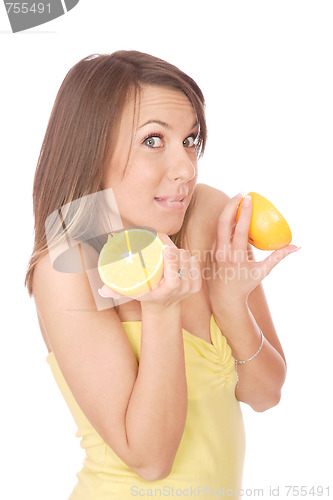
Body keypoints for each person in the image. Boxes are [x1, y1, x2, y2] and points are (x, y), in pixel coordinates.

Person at [25, 50, 299, 499]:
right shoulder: (67, 264)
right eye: (153, 140)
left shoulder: (205, 213)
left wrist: (232, 305)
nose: (186, 168)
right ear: (92, 146)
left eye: (191, 140)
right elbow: (151, 459)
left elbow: (265, 394)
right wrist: (161, 311)